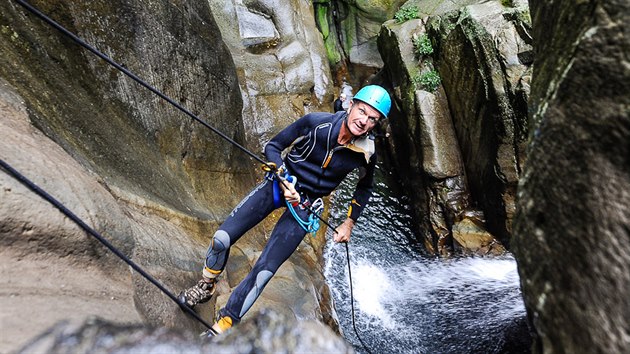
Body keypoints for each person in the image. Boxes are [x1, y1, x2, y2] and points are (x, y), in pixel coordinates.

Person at [179, 85, 392, 335]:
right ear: (352, 105)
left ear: (376, 124)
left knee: (264, 271)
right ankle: (206, 285)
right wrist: (283, 178)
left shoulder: (366, 152)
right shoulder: (316, 123)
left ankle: (223, 325)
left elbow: (364, 188)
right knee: (221, 239)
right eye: (362, 111)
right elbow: (273, 147)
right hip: (279, 185)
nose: (364, 121)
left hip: (305, 206)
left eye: (372, 119)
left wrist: (348, 223)